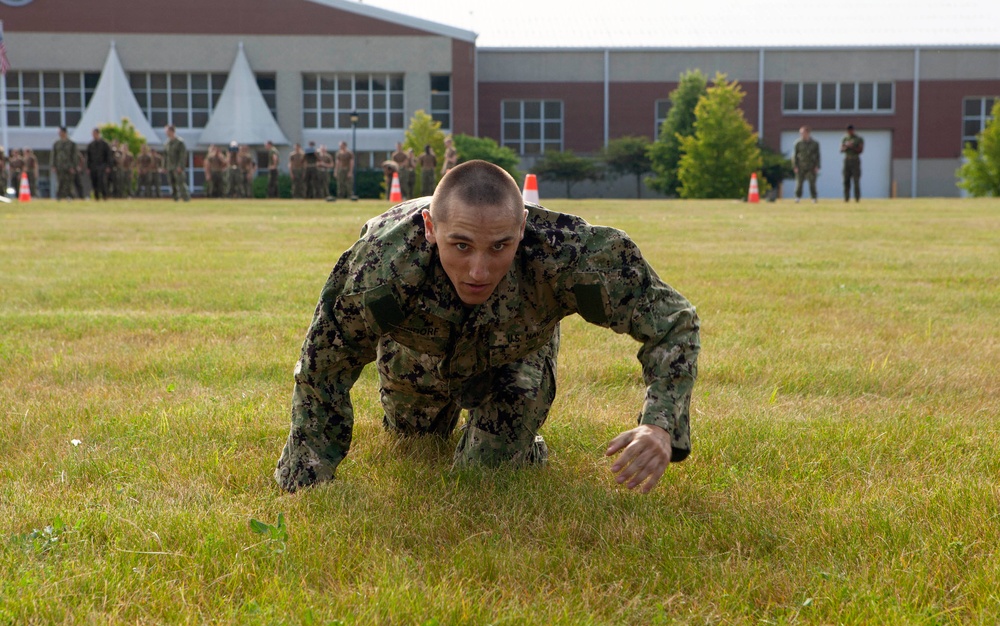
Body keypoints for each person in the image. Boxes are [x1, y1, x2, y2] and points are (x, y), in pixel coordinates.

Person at [273, 159, 700, 494]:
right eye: (461, 245)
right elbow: (324, 365)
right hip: (418, 350)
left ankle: (521, 444)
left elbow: (673, 321)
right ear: (430, 229)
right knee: (416, 439)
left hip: (514, 351)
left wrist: (659, 423)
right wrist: (307, 480)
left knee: (483, 473)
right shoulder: (381, 265)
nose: (479, 269)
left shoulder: (569, 253)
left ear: (523, 228)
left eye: (500, 246)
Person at [792, 125, 820, 203]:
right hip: (801, 166)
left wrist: (817, 166)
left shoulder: (815, 143)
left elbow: (818, 155)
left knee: (812, 183)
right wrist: (795, 166)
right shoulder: (798, 143)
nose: (801, 134)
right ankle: (797, 197)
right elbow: (795, 155)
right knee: (799, 183)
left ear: (808, 133)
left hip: (811, 166)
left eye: (803, 133)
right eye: (800, 133)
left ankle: (813, 198)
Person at [163, 124, 190, 202]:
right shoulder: (167, 143)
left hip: (177, 167)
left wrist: (180, 166)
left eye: (167, 131)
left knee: (180, 183)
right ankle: (175, 199)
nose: (166, 133)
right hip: (169, 167)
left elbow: (183, 156)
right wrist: (164, 167)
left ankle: (186, 199)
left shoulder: (179, 142)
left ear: (172, 131)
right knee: (172, 184)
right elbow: (165, 156)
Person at [51, 127, 79, 200]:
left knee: (68, 183)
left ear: (64, 133)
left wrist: (73, 167)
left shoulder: (71, 144)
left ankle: (69, 197)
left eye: (61, 132)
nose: (59, 134)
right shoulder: (56, 143)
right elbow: (54, 155)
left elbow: (74, 156)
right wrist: (53, 166)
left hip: (68, 167)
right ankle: (59, 197)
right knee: (60, 182)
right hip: (59, 166)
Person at [85, 129, 113, 201]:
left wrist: (108, 166)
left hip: (102, 166)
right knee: (94, 182)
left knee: (102, 182)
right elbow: (88, 157)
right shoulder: (91, 145)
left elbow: (109, 156)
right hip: (93, 166)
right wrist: (88, 167)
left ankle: (105, 196)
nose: (94, 135)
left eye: (95, 134)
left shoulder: (104, 144)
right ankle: (96, 197)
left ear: (98, 134)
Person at [841, 124, 864, 202]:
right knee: (846, 180)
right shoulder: (845, 138)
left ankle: (857, 198)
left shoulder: (858, 138)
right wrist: (846, 146)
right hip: (847, 160)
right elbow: (841, 150)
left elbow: (860, 150)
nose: (850, 132)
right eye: (848, 130)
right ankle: (846, 198)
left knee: (856, 180)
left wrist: (852, 147)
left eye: (851, 130)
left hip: (855, 160)